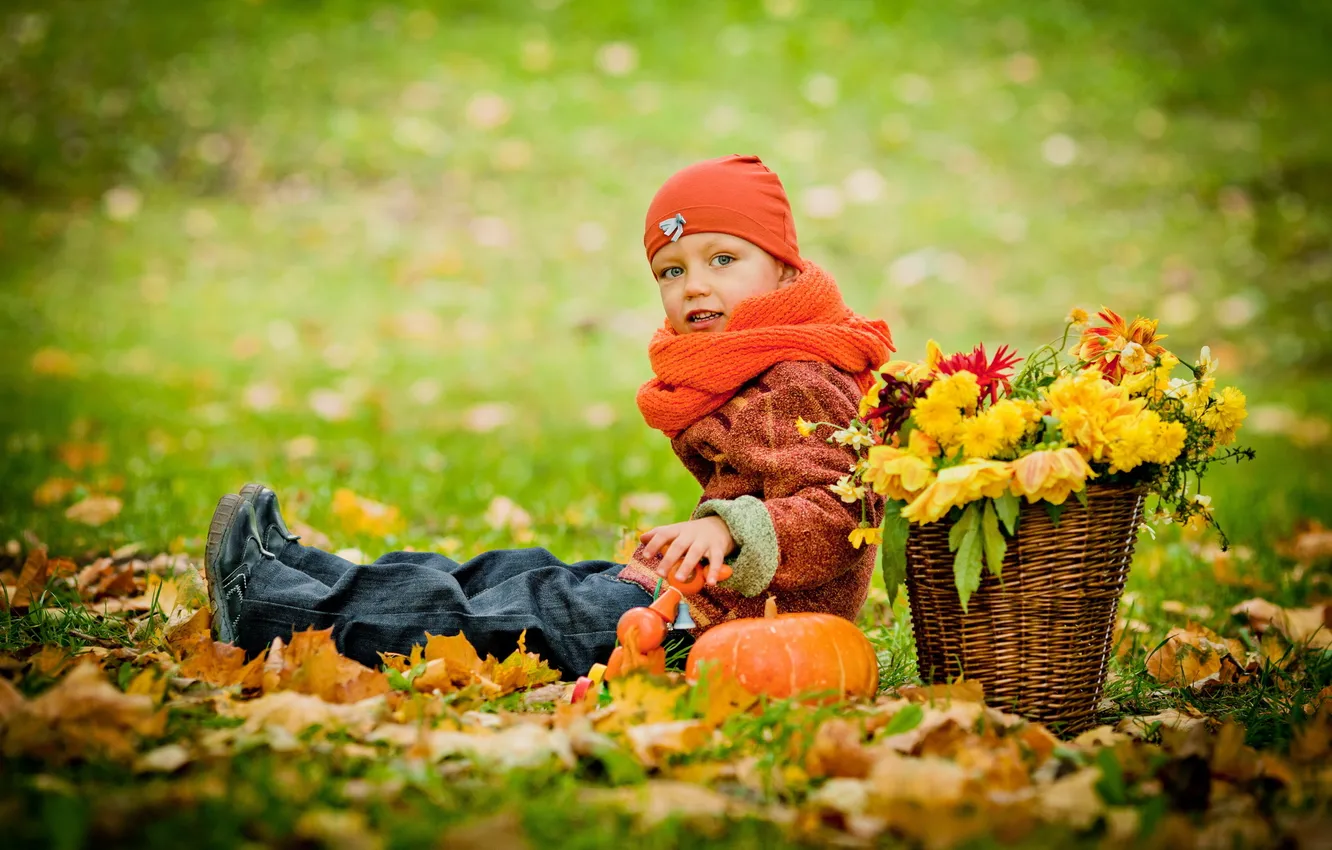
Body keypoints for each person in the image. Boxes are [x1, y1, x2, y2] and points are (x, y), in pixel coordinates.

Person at [203, 154, 893, 678]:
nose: (695, 286)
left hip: (716, 632)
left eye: (722, 259)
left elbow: (840, 513)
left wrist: (728, 530)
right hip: (685, 599)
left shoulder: (801, 375)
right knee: (507, 573)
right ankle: (304, 570)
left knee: (503, 616)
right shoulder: (756, 361)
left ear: (783, 271)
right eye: (672, 271)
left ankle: (272, 611)